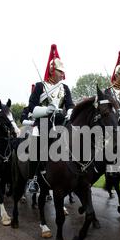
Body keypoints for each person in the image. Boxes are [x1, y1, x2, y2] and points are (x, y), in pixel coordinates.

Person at [27, 44, 74, 193]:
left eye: (63, 72)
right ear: (52, 70)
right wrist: (46, 109)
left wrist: (70, 112)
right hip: (42, 122)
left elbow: (70, 104)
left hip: (60, 121)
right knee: (36, 146)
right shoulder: (40, 86)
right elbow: (32, 108)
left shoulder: (64, 88)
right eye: (60, 71)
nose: (62, 74)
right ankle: (34, 178)